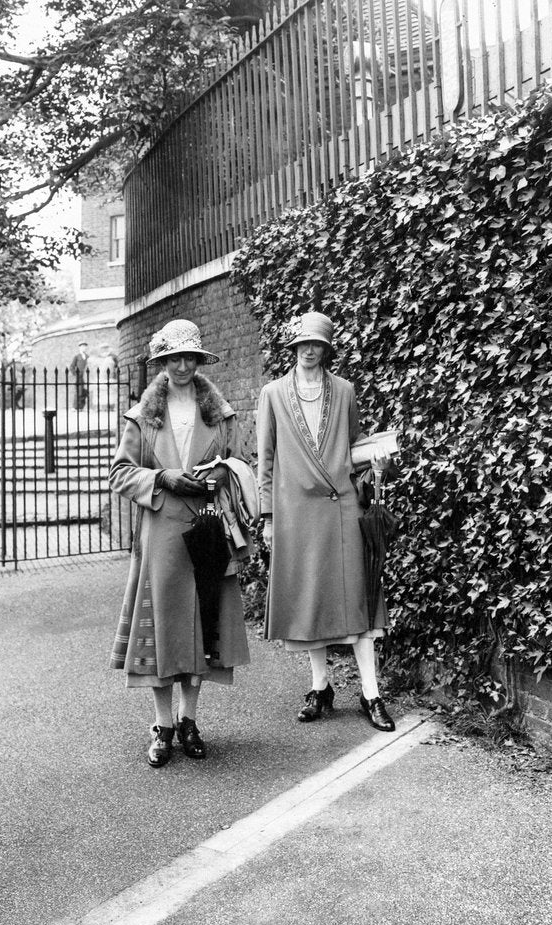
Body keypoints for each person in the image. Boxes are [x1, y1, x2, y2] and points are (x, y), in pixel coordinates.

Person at [108, 319, 250, 768]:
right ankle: (163, 725)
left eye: (189, 357)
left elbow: (241, 463)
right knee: (163, 628)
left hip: (207, 527)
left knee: (201, 626)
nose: (182, 365)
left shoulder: (219, 415)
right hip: (163, 533)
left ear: (199, 361)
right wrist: (162, 477)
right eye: (174, 358)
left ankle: (190, 720)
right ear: (163, 364)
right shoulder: (143, 417)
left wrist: (220, 473)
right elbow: (120, 473)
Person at [257, 311, 395, 732]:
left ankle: (371, 693)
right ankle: (321, 687)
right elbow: (265, 459)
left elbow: (352, 446)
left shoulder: (346, 391)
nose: (309, 350)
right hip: (297, 514)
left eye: (316, 343)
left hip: (342, 509)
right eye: (302, 343)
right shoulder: (273, 394)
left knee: (359, 599)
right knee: (311, 601)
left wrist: (378, 463)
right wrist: (267, 517)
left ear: (327, 349)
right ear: (293, 348)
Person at [69, 341, 89, 410]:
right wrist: (76, 374)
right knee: (78, 391)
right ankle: (74, 407)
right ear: (79, 348)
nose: (84, 348)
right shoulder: (77, 356)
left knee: (84, 392)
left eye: (85, 346)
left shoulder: (88, 357)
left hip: (86, 377)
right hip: (79, 377)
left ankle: (81, 407)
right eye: (82, 346)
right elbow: (71, 367)